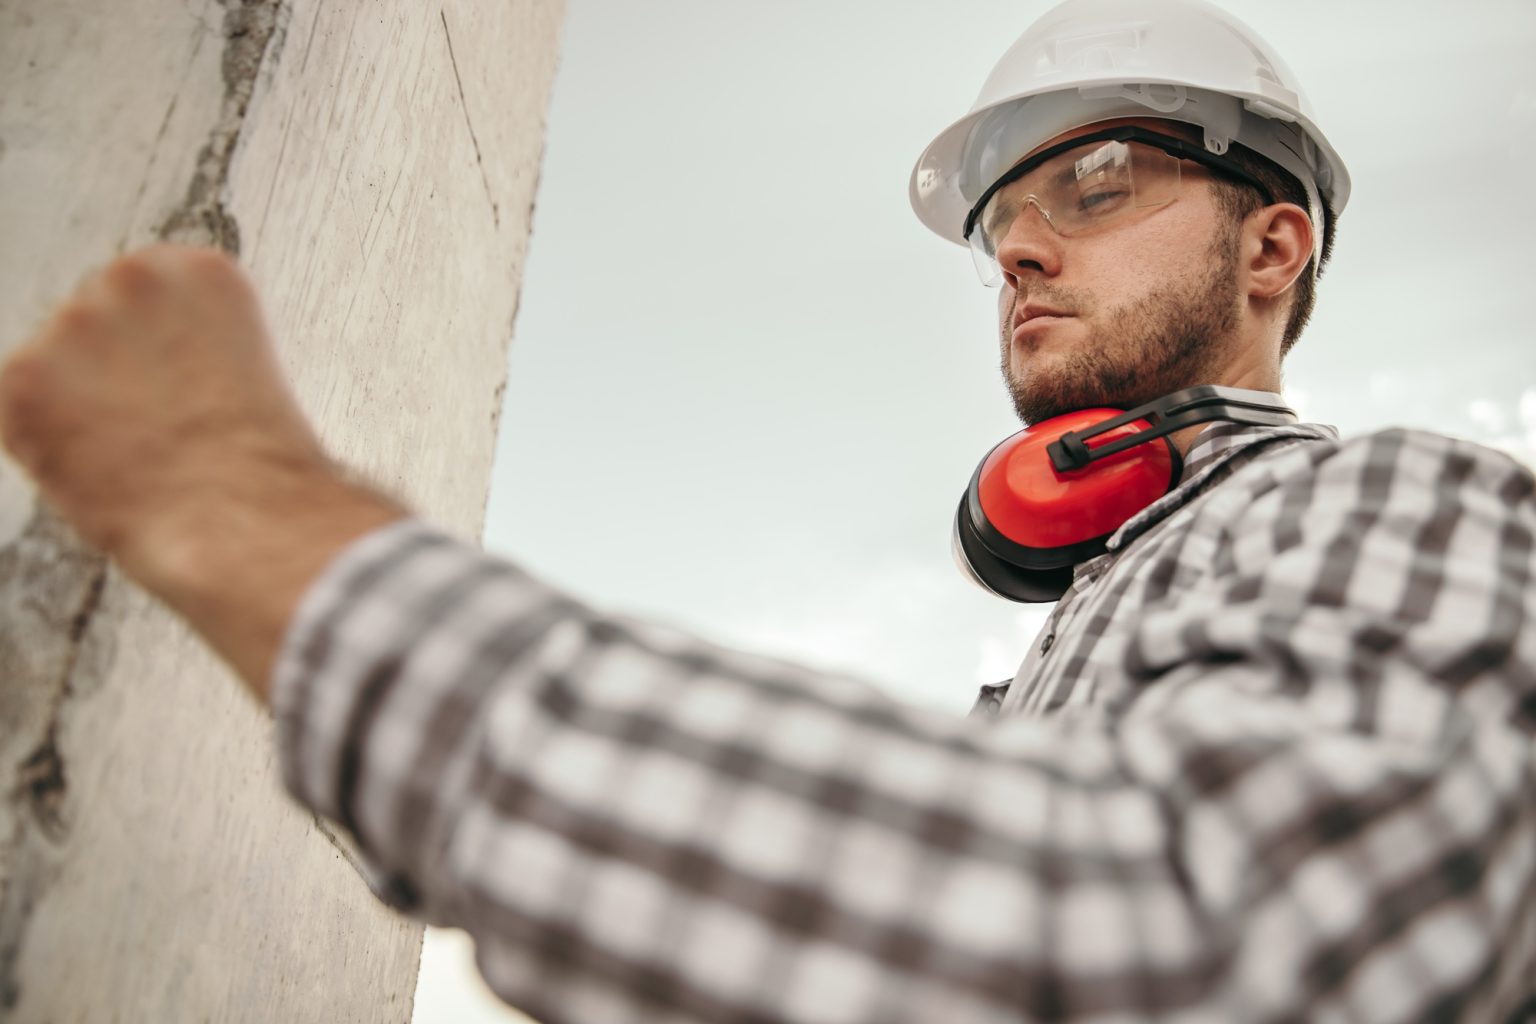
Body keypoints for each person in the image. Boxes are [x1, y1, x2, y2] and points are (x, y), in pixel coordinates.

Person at [3, 0, 1533, 1020]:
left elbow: (1206, 951)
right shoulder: (1082, 628)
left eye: (1099, 184)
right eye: (1004, 220)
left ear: (1273, 249)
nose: (1018, 251)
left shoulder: (1414, 505)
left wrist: (264, 531)